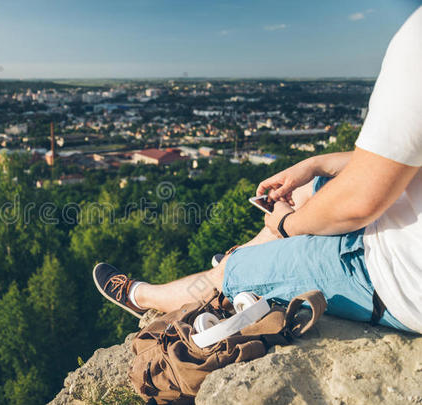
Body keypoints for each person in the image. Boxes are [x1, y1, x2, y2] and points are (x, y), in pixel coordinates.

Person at [93, 6, 422, 334]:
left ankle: (150, 295)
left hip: (398, 278)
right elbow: (391, 163)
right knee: (308, 191)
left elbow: (359, 202)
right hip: (403, 232)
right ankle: (256, 259)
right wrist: (315, 164)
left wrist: (286, 225)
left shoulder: (416, 40)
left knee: (233, 269)